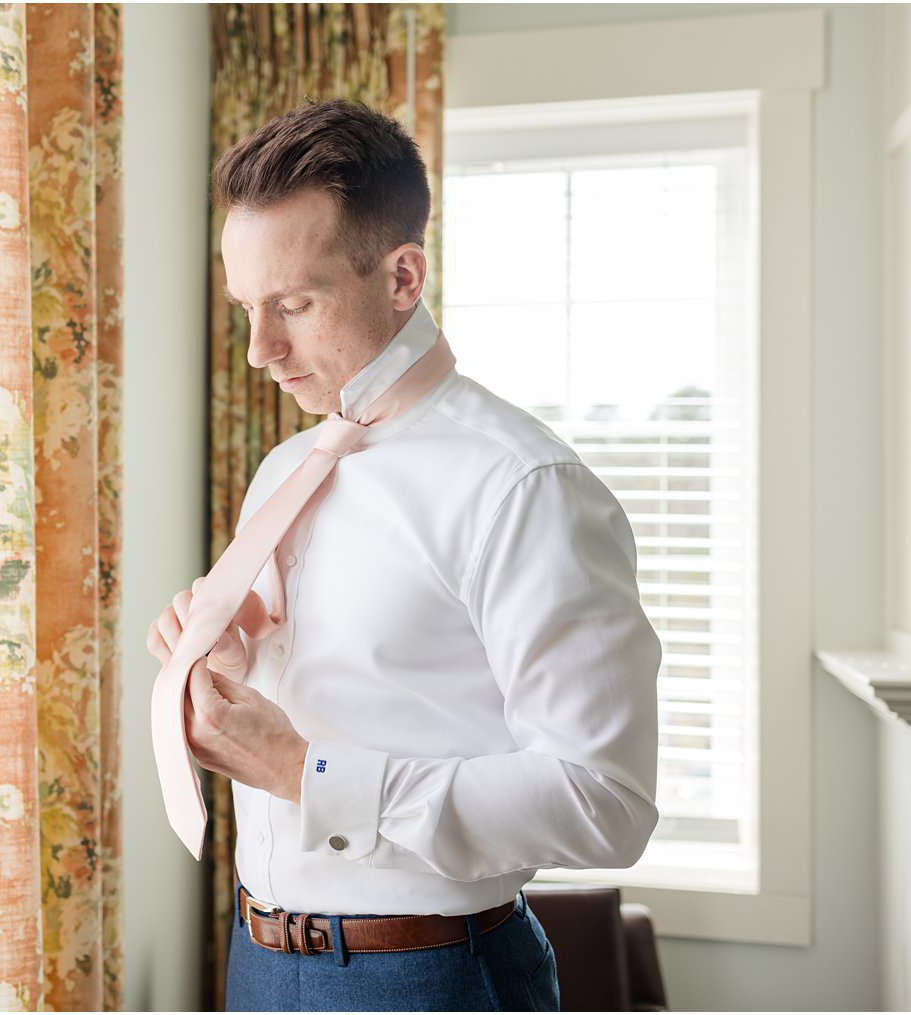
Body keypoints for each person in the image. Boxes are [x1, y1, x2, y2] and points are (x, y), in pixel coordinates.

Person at [146, 99, 661, 1013]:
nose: (261, 351)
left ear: (403, 275)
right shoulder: (283, 470)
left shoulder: (524, 485)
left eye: (293, 305)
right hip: (258, 958)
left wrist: (310, 774)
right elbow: (360, 680)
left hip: (427, 975)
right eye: (246, 310)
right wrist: (229, 660)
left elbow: (605, 800)